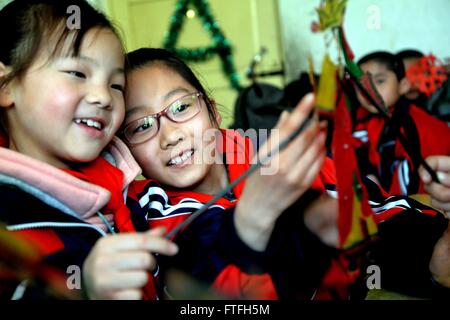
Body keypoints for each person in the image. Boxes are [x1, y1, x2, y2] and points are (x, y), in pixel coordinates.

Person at [121, 48, 338, 299]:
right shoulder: (144, 214)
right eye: (142, 126)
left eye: (180, 107)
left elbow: (374, 212)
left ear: (213, 113)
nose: (171, 136)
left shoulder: (273, 156)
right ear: (125, 149)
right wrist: (253, 217)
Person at [0, 0, 179, 300]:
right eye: (78, 74)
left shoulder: (127, 186)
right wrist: (85, 290)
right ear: (6, 86)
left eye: (116, 85)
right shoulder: (9, 225)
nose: (103, 97)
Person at [354, 51, 450, 196]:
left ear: (403, 85)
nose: (369, 91)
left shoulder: (419, 127)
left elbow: (422, 188)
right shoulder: (368, 119)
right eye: (361, 85)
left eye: (379, 81)